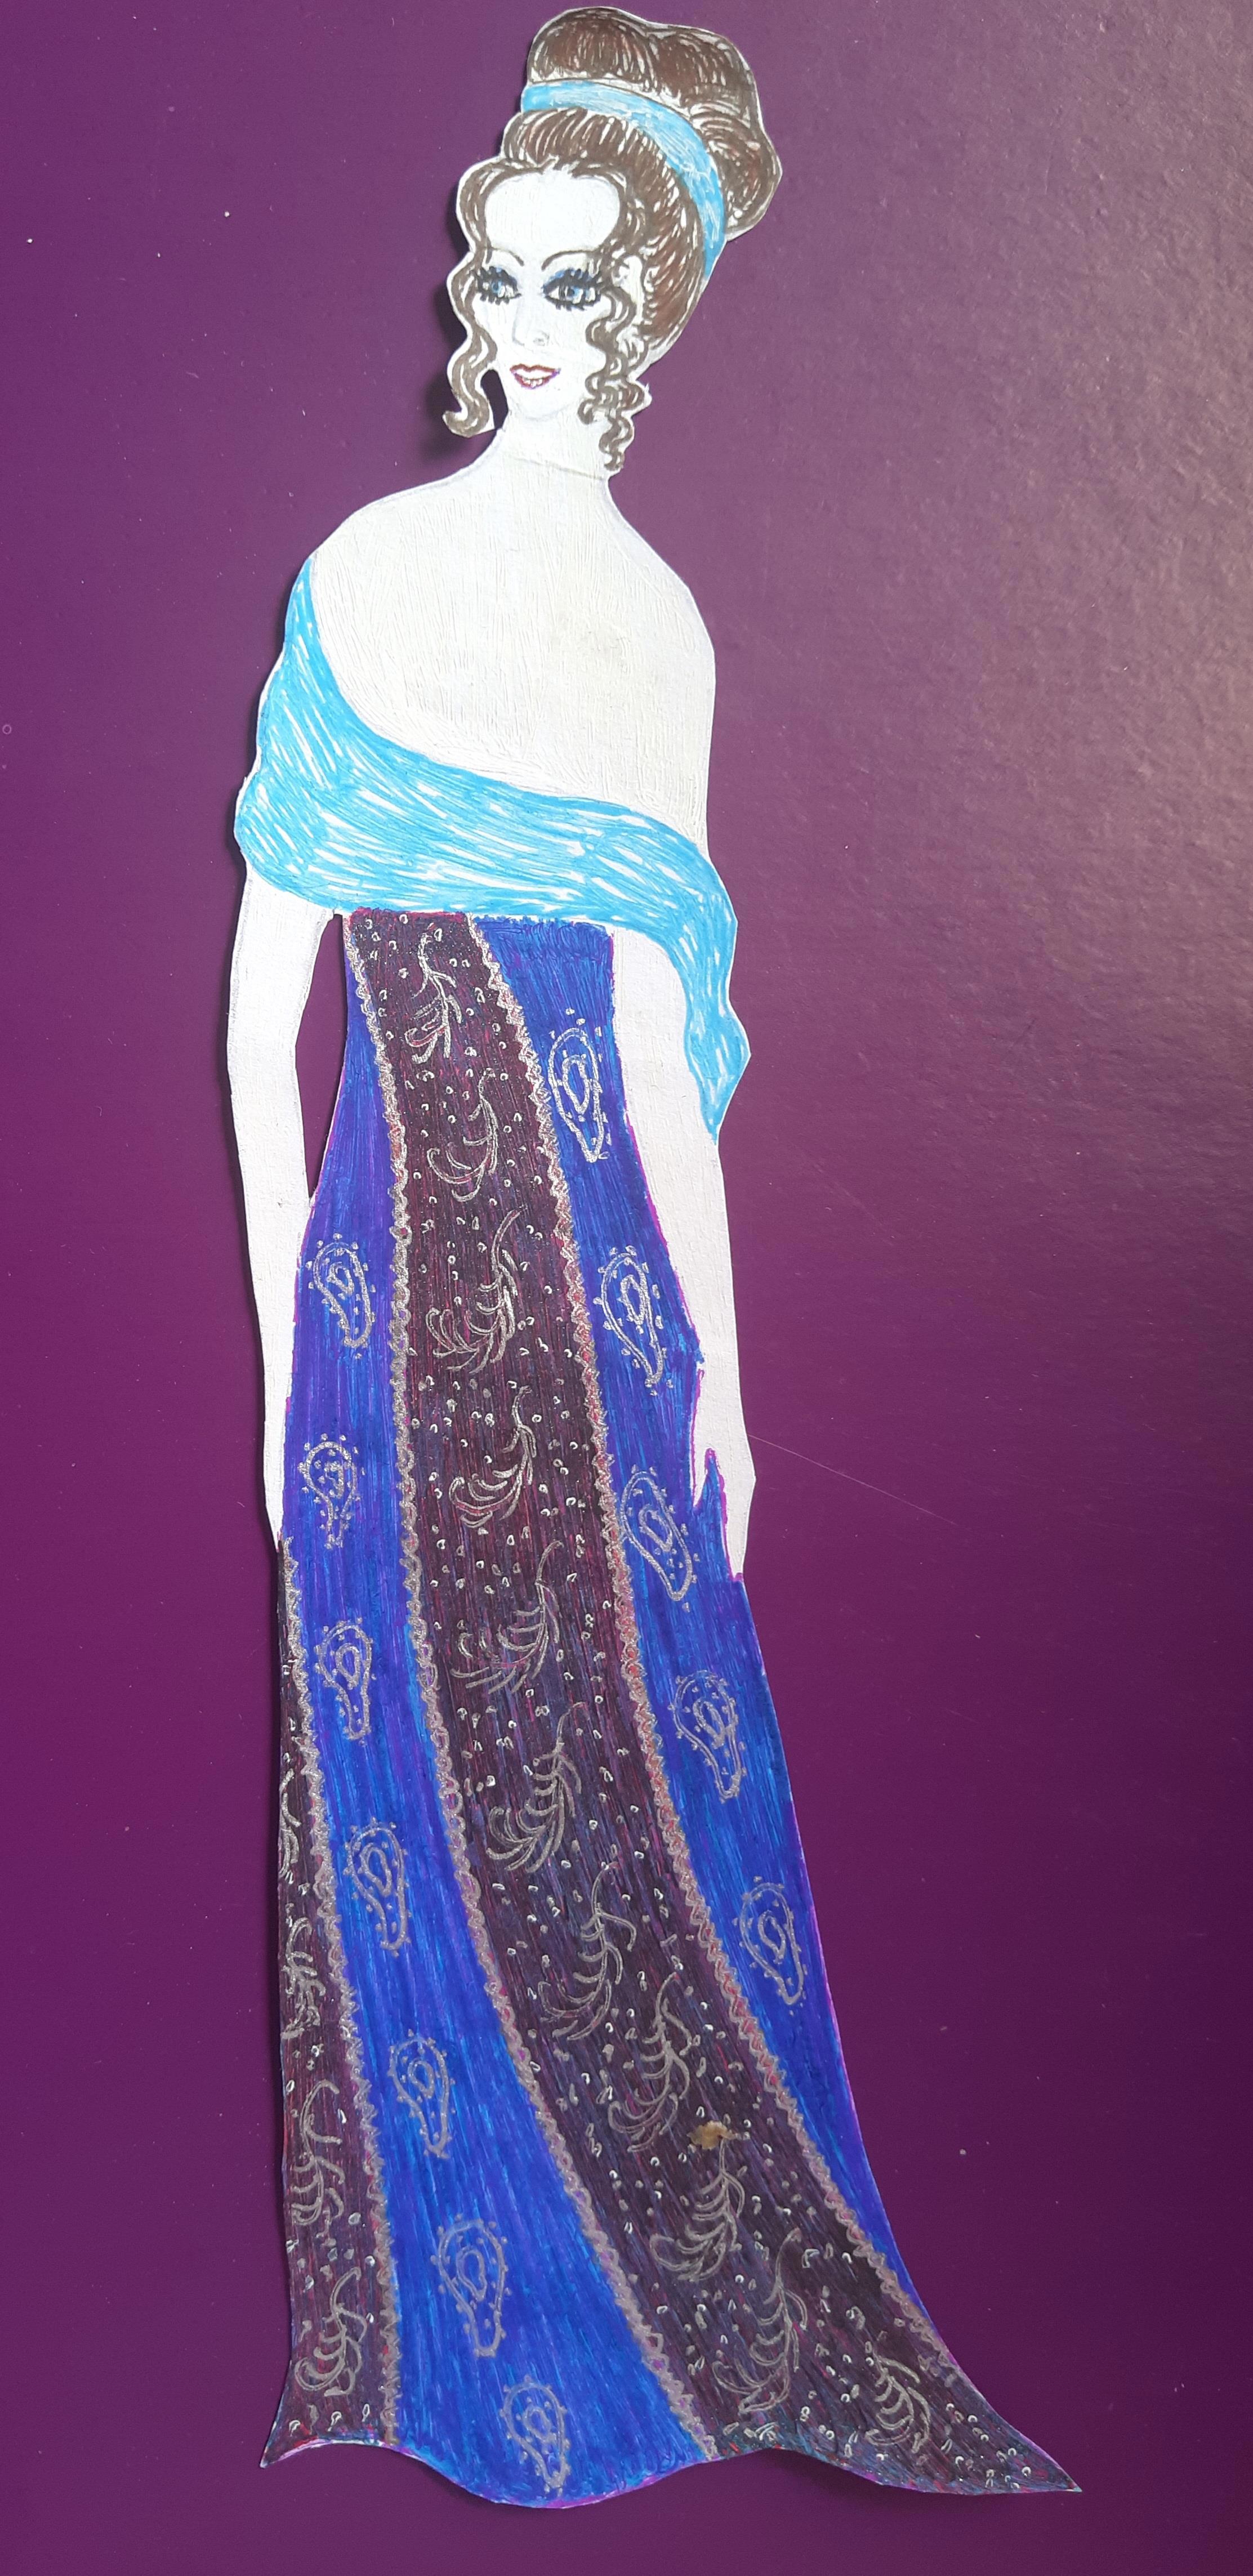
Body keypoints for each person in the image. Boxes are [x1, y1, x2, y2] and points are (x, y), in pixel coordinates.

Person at [229, 5, 1072, 2508]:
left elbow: (652, 1020)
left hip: (598, 1288)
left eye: (580, 283)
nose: (526, 323)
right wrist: (275, 1352)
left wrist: (720, 1352)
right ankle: (462, 2288)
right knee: (403, 1751)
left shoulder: (659, 632)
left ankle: (692, 2284)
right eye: (503, 270)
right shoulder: (362, 572)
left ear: (655, 310)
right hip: (386, 1282)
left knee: (630, 1764)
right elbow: (262, 1014)